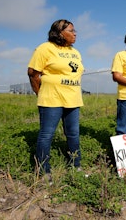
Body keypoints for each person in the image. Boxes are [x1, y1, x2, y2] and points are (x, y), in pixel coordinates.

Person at [27, 19, 85, 180]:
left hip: (73, 99)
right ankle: (43, 170)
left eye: (75, 31)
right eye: (71, 31)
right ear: (60, 33)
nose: (75, 33)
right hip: (51, 99)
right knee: (47, 135)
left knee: (73, 134)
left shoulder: (75, 52)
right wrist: (41, 92)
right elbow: (33, 73)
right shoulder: (45, 48)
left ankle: (75, 165)